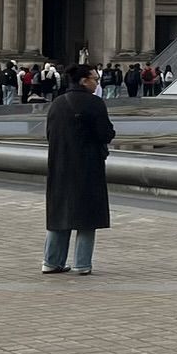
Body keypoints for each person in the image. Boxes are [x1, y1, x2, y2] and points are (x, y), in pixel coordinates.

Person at [41, 62, 116, 276]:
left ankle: (51, 261)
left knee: (60, 214)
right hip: (87, 165)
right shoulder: (95, 103)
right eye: (95, 79)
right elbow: (105, 134)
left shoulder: (57, 103)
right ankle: (82, 264)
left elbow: (49, 134)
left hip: (60, 165)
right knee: (87, 215)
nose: (97, 83)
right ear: (84, 81)